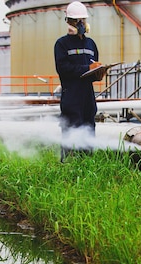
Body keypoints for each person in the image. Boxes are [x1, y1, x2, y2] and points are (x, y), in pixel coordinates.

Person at [54, 1, 107, 161]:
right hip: (71, 95)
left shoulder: (91, 44)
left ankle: (87, 162)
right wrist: (87, 68)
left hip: (87, 96)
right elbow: (63, 68)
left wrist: (98, 72)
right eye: (77, 20)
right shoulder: (62, 44)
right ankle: (67, 162)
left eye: (82, 20)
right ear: (68, 21)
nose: (81, 23)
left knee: (89, 126)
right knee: (71, 127)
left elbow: (93, 66)